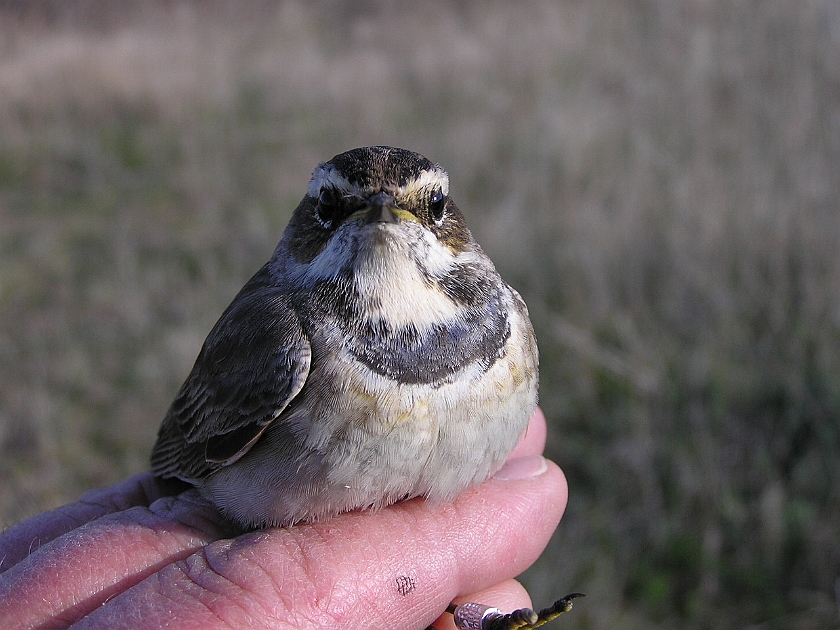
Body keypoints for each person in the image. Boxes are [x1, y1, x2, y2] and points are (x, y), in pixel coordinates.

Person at [0, 408, 567, 630]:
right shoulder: (282, 339)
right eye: (333, 208)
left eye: (431, 207)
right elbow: (183, 453)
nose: (386, 218)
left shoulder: (505, 322)